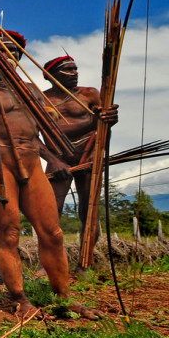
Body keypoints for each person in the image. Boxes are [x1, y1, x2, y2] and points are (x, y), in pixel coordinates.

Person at [0, 32, 96, 317]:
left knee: (53, 233)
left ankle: (64, 298)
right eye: (1, 51)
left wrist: (54, 159)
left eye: (14, 51)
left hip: (31, 159)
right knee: (9, 233)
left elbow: (39, 134)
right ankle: (20, 299)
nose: (9, 56)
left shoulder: (32, 91)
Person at [40, 55, 118, 249]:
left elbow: (103, 128)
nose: (74, 73)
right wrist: (92, 122)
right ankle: (48, 264)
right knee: (50, 211)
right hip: (59, 158)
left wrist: (108, 120)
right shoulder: (41, 99)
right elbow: (50, 132)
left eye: (75, 69)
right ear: (50, 76)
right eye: (67, 70)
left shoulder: (89, 94)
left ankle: (85, 263)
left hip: (90, 154)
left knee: (89, 210)